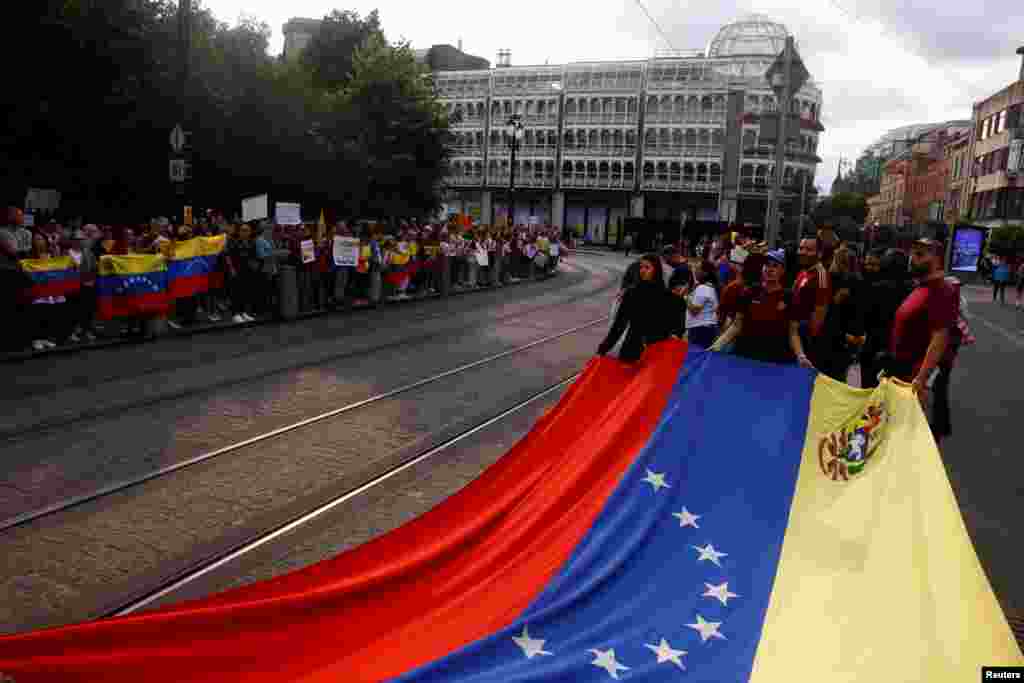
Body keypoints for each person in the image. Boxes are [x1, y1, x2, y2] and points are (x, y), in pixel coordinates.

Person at [886, 238, 959, 439]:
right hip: (902, 373)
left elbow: (939, 338)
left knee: (914, 438)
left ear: (936, 259)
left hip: (915, 379)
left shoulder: (942, 291)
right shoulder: (922, 287)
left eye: (920, 255)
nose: (912, 259)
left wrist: (921, 379)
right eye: (912, 253)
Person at [710, 249, 797, 365]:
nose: (769, 269)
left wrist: (800, 355)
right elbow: (736, 325)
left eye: (775, 266)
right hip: (745, 357)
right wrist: (716, 346)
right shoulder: (750, 292)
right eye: (766, 265)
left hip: (774, 360)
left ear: (783, 271)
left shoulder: (789, 296)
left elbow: (793, 332)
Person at [597, 253, 675, 362]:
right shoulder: (632, 292)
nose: (642, 270)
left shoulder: (665, 295)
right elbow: (619, 324)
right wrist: (603, 349)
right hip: (632, 348)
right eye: (641, 267)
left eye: (647, 267)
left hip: (655, 351)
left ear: (656, 270)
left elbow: (668, 325)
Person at [788, 236, 832, 370]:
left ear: (819, 253)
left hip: (805, 342)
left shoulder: (821, 275)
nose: (802, 252)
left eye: (808, 249)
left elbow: (819, 315)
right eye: (801, 248)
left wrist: (805, 348)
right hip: (794, 336)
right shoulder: (803, 272)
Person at [684, 261, 720, 348]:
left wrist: (686, 298)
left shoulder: (703, 288)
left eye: (697, 268)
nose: (695, 271)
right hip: (704, 329)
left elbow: (694, 310)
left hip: (700, 329)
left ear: (705, 273)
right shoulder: (709, 286)